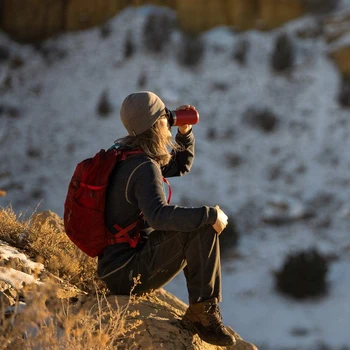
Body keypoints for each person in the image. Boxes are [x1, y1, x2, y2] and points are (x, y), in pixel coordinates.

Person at [97, 91, 235, 346]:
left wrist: (184, 133)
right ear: (154, 124)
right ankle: (202, 314)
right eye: (164, 116)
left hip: (116, 267)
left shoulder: (128, 156)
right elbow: (158, 216)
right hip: (126, 273)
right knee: (202, 226)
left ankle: (201, 310)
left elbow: (179, 166)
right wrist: (210, 214)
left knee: (198, 223)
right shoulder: (143, 167)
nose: (168, 120)